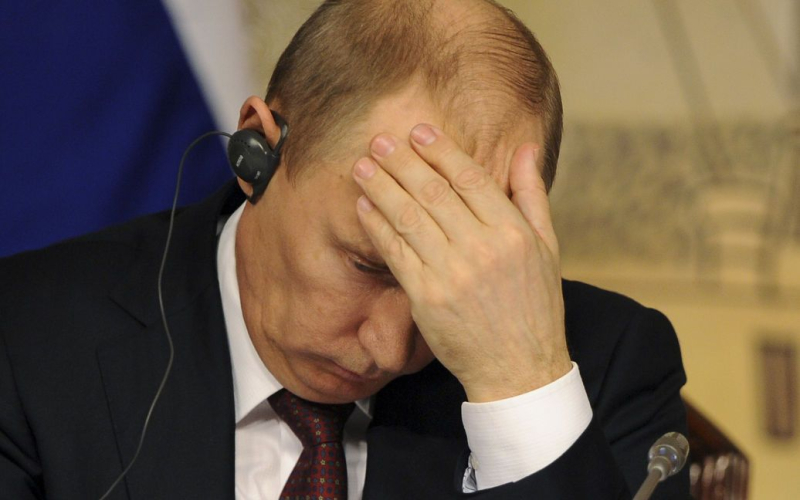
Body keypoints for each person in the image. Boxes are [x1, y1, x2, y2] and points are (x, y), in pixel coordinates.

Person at [0, 0, 689, 499]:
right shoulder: (28, 340)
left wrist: (519, 384)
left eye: (450, 275)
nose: (387, 349)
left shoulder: (603, 367)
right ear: (257, 152)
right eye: (367, 264)